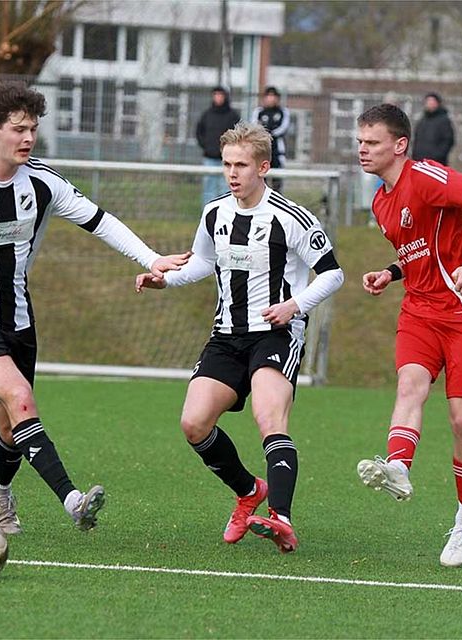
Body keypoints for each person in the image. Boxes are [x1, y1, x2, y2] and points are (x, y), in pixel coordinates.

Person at [0, 81, 190, 533]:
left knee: (9, 429)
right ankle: (74, 501)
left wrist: (151, 258)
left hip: (19, 319)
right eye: (18, 129)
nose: (28, 138)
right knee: (21, 398)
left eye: (33, 128)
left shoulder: (42, 181)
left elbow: (100, 221)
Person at [136, 122, 344, 554]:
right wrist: (165, 281)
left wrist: (295, 306)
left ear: (263, 167)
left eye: (241, 165)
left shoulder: (292, 218)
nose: (232, 173)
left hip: (275, 334)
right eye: (228, 164)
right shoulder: (214, 213)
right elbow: (202, 264)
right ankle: (249, 490)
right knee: (193, 423)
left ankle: (281, 519)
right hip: (226, 335)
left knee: (269, 418)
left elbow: (333, 273)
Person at [355, 103, 462, 568]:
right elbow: (421, 249)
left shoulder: (427, 176)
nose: (362, 150)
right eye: (359, 142)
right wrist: (391, 271)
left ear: (399, 146)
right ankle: (398, 466)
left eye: (371, 142)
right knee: (410, 385)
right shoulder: (380, 200)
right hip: (419, 311)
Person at [196, 86, 241, 205]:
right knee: (208, 188)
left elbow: (239, 134)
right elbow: (199, 132)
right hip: (209, 157)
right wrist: (206, 146)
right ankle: (208, 214)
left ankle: (228, 212)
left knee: (226, 187)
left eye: (221, 95)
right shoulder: (207, 114)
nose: (218, 98)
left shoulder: (232, 115)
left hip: (227, 160)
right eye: (216, 95)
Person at [251, 86, 291, 192]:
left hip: (277, 152)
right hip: (262, 150)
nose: (271, 99)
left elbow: (283, 128)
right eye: (268, 96)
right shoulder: (259, 112)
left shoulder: (283, 112)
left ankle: (277, 205)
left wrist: (269, 134)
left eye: (273, 96)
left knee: (277, 183)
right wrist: (263, 135)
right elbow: (255, 127)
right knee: (261, 181)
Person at [411, 92, 454, 165]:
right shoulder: (422, 120)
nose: (430, 104)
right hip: (420, 161)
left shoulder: (444, 120)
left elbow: (448, 140)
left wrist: (438, 156)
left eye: (432, 101)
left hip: (437, 162)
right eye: (428, 101)